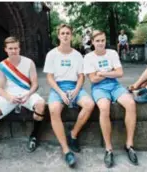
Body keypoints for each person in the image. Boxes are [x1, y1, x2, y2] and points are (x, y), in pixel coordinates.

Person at [0, 37, 46, 163]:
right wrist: (9, 97)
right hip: (9, 95)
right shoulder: (2, 66)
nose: (13, 51)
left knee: (41, 104)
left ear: (19, 48)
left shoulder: (29, 62)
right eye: (10, 48)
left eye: (16, 48)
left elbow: (35, 84)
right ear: (6, 49)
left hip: (26, 93)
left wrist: (28, 94)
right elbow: (0, 88)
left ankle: (33, 136)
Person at [84, 30, 138, 168]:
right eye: (97, 41)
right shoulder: (89, 57)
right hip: (99, 88)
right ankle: (109, 149)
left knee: (131, 103)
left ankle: (129, 145)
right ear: (93, 42)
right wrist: (110, 73)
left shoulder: (112, 53)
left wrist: (102, 72)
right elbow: (93, 79)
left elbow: (120, 73)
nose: (101, 43)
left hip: (115, 86)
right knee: (104, 107)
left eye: (102, 40)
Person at [43, 24, 95, 168]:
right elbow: (49, 77)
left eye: (68, 33)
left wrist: (76, 91)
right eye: (63, 33)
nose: (65, 35)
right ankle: (66, 150)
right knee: (53, 110)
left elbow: (81, 77)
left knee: (89, 104)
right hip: (58, 88)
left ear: (71, 36)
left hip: (74, 86)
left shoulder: (77, 55)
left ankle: (73, 134)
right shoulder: (52, 54)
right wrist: (60, 93)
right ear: (59, 36)